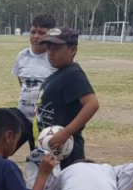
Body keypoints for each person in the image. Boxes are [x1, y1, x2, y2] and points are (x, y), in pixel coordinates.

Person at [33, 27, 100, 167]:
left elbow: (92, 104)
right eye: (49, 48)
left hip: (66, 151)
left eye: (56, 48)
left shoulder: (73, 74)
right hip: (51, 149)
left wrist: (66, 132)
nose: (50, 53)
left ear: (72, 50)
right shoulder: (58, 73)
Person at [10, 15, 56, 153]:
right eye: (33, 32)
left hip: (45, 122)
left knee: (40, 158)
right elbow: (22, 82)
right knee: (2, 148)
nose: (36, 36)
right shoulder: (22, 56)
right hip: (23, 118)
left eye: (42, 33)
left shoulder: (54, 57)